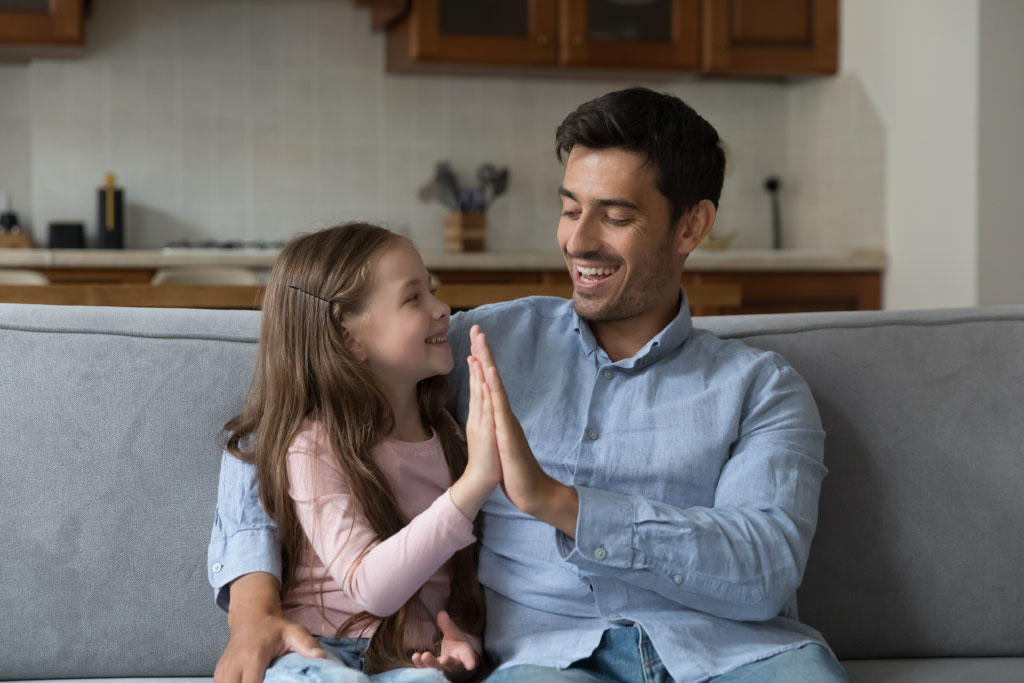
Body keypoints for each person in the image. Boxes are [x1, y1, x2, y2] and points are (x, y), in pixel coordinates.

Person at [209, 87, 852, 682]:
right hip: (550, 660)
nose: (578, 240)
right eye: (570, 209)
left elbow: (766, 567)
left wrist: (559, 503)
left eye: (616, 216)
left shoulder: (763, 389)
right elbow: (285, 420)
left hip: (736, 655)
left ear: (691, 225)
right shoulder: (478, 346)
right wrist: (253, 607)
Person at [215, 222, 505, 682]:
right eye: (414, 298)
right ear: (349, 337)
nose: (443, 308)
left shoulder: (450, 435)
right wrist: (471, 489)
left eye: (431, 290)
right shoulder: (313, 443)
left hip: (410, 657)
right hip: (319, 647)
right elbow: (370, 587)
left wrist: (461, 643)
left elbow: (454, 583)